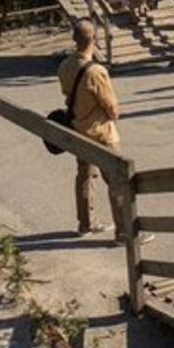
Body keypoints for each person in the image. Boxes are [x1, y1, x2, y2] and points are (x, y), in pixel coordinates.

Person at [57, 18, 123, 235]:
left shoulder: (65, 65)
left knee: (85, 177)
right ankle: (124, 230)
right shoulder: (96, 72)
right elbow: (112, 107)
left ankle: (86, 223)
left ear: (75, 39)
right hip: (101, 133)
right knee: (117, 180)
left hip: (78, 129)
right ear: (94, 39)